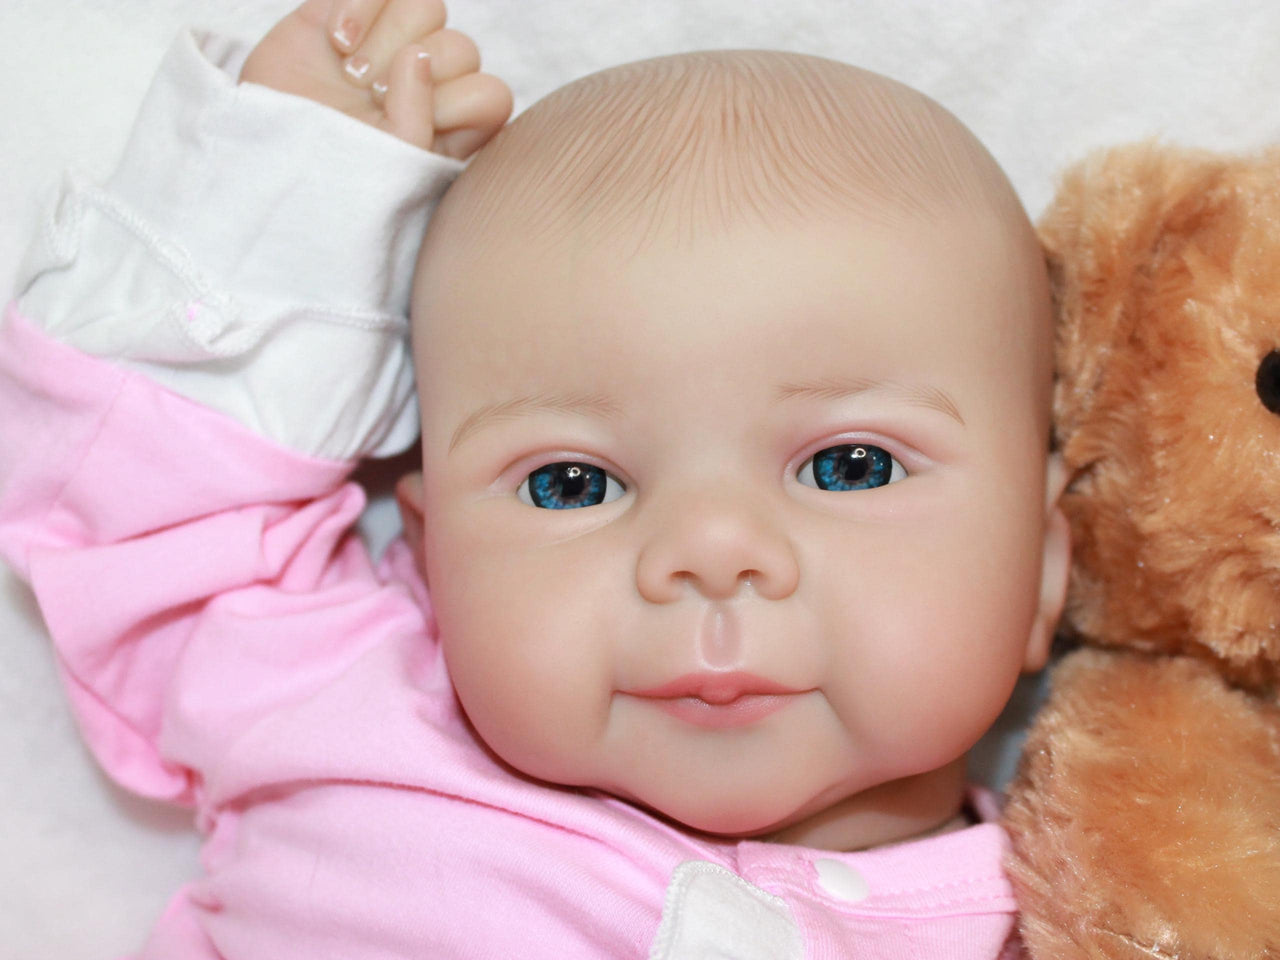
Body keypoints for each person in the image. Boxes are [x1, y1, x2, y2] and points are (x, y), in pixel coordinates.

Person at [0, 0, 1070, 955]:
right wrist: (295, 192)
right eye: (570, 484)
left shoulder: (1103, 904)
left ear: (1042, 572)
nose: (706, 553)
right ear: (431, 558)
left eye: (849, 465)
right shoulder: (325, 701)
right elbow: (140, 499)